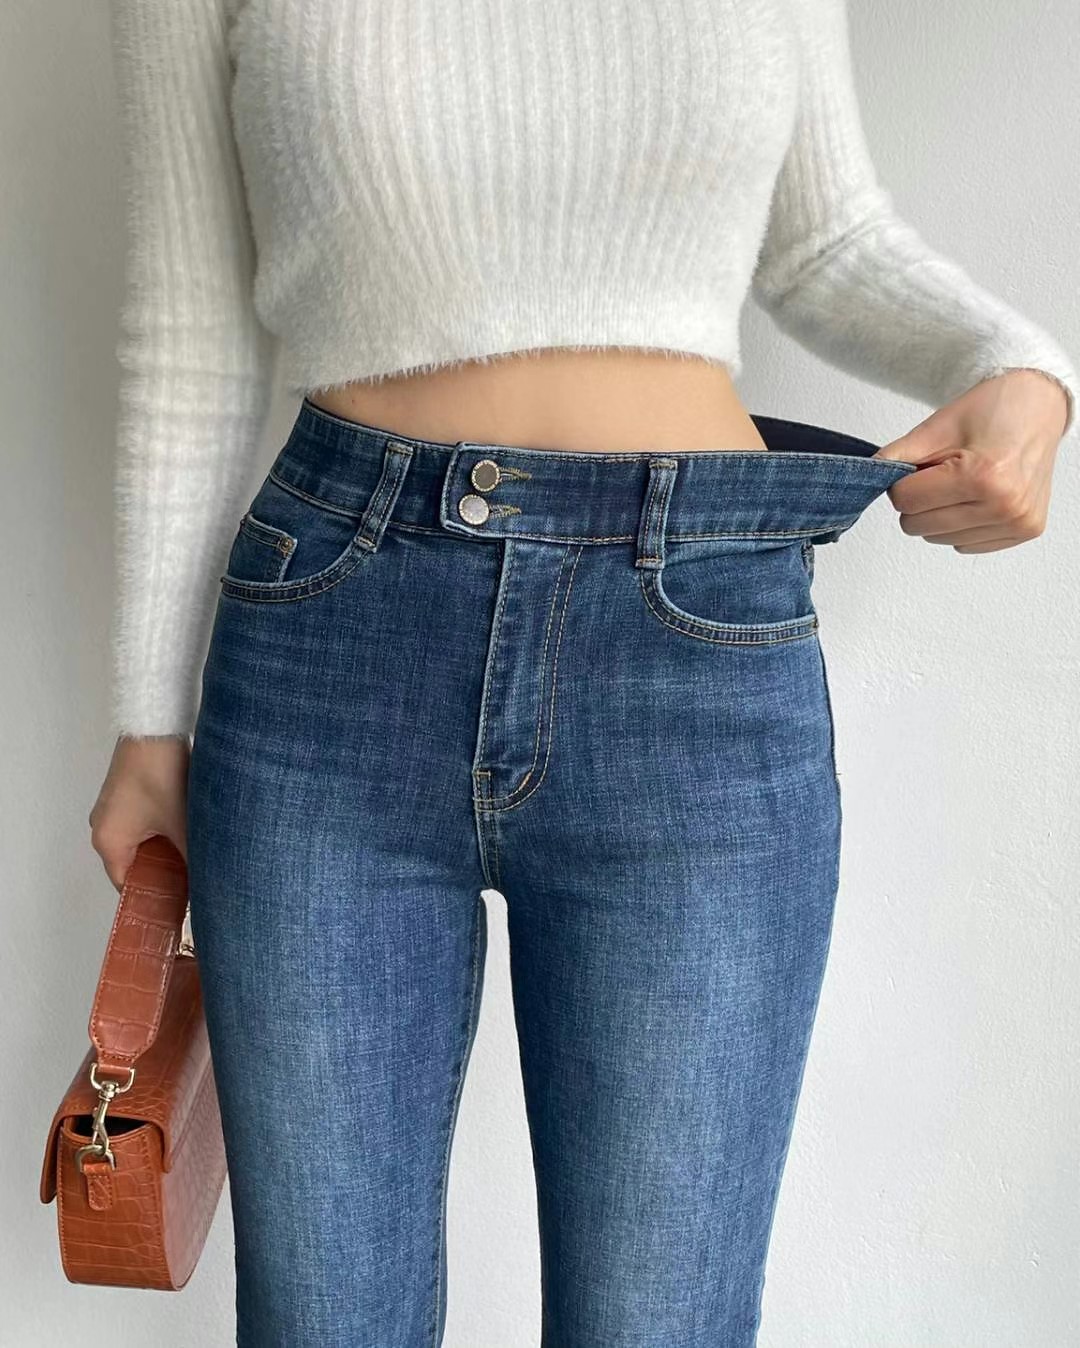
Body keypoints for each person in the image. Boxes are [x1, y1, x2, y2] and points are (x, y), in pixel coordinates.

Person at [88, 1, 1075, 1343]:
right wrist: (148, 725)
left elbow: (827, 238)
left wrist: (1022, 371)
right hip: (333, 649)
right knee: (326, 1319)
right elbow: (190, 317)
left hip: (696, 653)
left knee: (659, 1320)